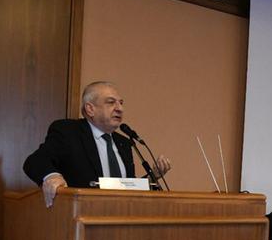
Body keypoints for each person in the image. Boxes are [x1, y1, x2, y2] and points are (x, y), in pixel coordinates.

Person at [23, 81, 172, 207]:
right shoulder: (68, 132)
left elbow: (126, 187)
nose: (120, 108)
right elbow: (35, 161)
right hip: (80, 216)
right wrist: (52, 176)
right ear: (90, 109)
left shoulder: (124, 143)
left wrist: (153, 176)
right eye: (111, 102)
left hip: (120, 219)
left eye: (121, 103)